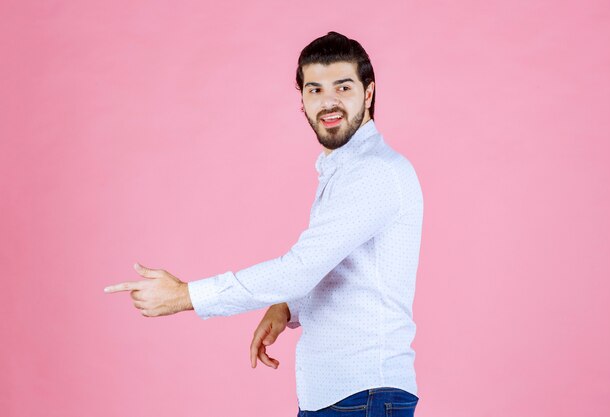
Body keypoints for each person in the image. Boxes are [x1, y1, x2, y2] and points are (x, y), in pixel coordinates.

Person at [104, 31, 424, 416]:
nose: (328, 102)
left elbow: (302, 267)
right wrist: (287, 307)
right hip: (348, 395)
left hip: (363, 395)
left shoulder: (373, 173)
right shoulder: (346, 171)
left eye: (342, 86)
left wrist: (186, 295)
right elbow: (339, 268)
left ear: (368, 93)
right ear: (302, 100)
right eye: (315, 90)